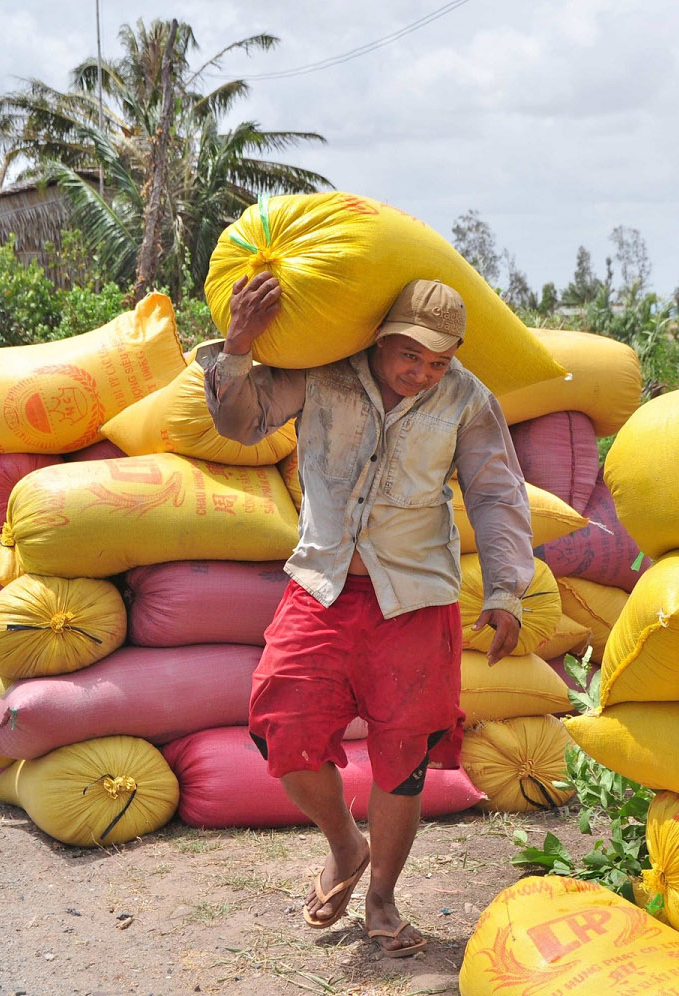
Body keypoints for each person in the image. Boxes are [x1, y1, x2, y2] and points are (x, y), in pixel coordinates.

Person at [202, 271, 534, 958]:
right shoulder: (322, 373)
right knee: (278, 726)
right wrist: (239, 345)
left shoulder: (466, 400)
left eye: (438, 361)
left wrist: (506, 592)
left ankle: (382, 896)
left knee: (403, 756)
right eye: (410, 355)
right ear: (383, 338)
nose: (422, 373)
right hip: (323, 584)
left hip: (415, 598)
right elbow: (238, 424)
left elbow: (497, 494)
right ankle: (345, 846)